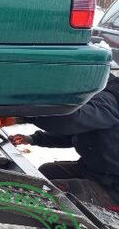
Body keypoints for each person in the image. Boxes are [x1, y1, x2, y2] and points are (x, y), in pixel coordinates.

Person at [9, 75, 119, 205]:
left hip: (111, 187)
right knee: (46, 172)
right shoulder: (102, 97)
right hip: (94, 170)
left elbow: (72, 121)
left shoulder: (109, 99)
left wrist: (27, 113)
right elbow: (74, 132)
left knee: (46, 193)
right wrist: (33, 139)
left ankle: (61, 224)